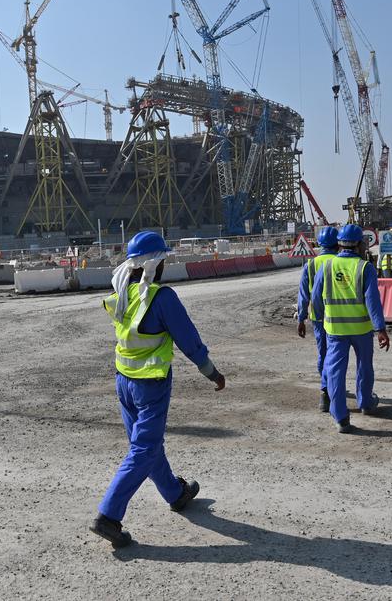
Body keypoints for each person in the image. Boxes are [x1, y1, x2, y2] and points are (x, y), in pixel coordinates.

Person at [91, 230, 226, 548]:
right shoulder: (161, 297)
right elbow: (189, 341)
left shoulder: (123, 294)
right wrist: (212, 372)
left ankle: (175, 494)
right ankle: (108, 516)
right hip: (150, 383)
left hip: (123, 380)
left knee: (147, 445)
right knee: (144, 449)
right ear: (156, 264)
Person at [310, 224, 390, 433]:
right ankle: (365, 403)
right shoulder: (365, 268)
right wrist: (380, 328)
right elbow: (373, 301)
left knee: (335, 371)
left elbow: (316, 298)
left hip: (335, 331)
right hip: (362, 330)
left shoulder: (326, 267)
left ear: (340, 244)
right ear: (359, 244)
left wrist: (319, 319)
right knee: (364, 366)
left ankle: (341, 418)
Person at [297, 226, 339, 412]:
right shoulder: (340, 261)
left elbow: (303, 294)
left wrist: (301, 318)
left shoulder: (311, 265)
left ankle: (325, 392)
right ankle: (331, 389)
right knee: (337, 355)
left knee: (323, 353)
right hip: (339, 316)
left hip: (318, 317)